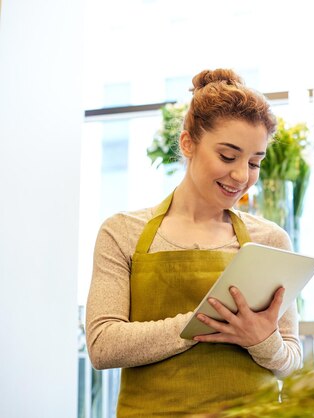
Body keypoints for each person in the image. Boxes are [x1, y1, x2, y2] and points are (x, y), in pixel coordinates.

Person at [86, 68, 302, 417]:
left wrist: (262, 340)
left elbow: (290, 361)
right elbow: (102, 345)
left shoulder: (270, 239)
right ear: (188, 143)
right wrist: (202, 322)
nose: (241, 176)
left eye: (254, 162)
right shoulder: (122, 232)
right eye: (228, 157)